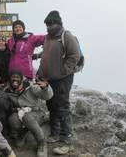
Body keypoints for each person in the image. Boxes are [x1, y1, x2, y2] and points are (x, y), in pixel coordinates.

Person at [36, 10, 80, 154]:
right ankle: (55, 134)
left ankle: (67, 140)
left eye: (52, 23)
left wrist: (63, 71)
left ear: (58, 23)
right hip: (48, 79)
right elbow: (46, 56)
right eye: (47, 24)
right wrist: (40, 73)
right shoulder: (48, 38)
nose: (49, 26)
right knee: (52, 105)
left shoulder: (66, 36)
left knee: (62, 107)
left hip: (62, 80)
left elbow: (75, 55)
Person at [4, 69, 53, 157]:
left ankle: (42, 143)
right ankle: (22, 134)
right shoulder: (8, 90)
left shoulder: (31, 86)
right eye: (13, 77)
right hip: (20, 113)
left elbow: (47, 96)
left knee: (27, 118)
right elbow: (4, 103)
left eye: (17, 77)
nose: (15, 79)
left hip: (37, 113)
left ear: (21, 78)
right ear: (10, 79)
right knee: (12, 119)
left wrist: (45, 88)